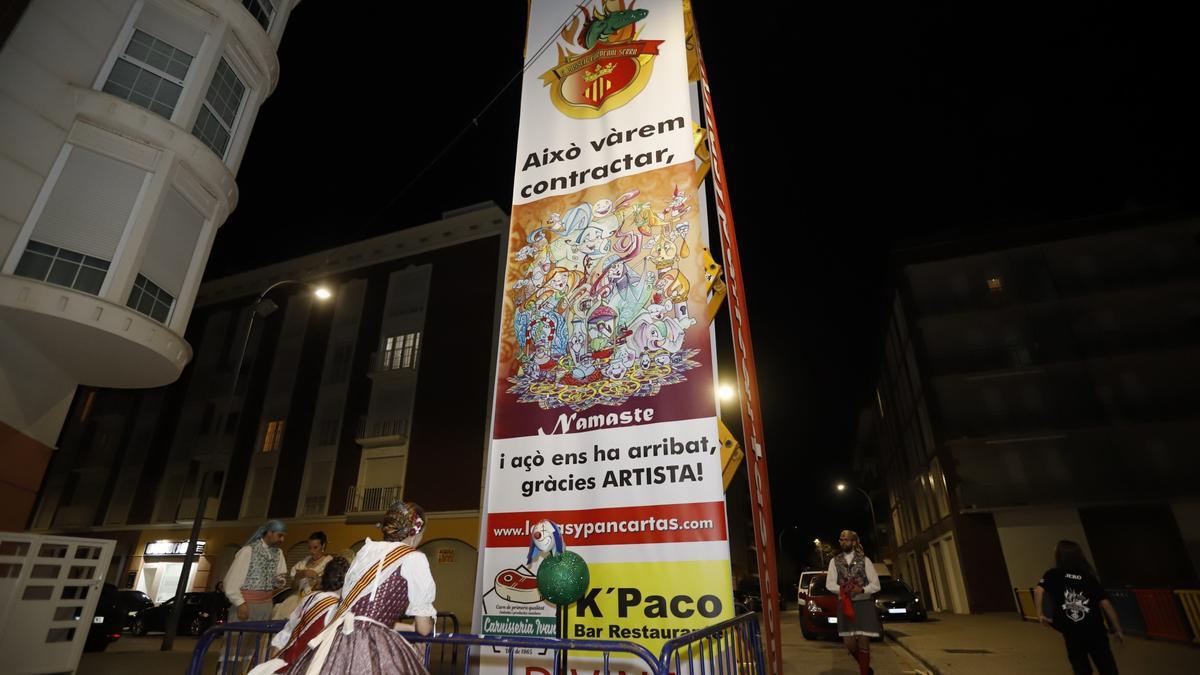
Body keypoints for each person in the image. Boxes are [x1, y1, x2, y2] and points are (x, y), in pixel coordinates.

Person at [286, 501, 435, 674]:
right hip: (372, 644)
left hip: (339, 638)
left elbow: (364, 615)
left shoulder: (366, 551)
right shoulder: (414, 558)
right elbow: (423, 628)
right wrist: (427, 622)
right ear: (415, 532)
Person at [248, 556, 351, 675]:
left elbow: (287, 632)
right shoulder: (339, 608)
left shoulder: (310, 598)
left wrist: (277, 661)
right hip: (309, 667)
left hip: (287, 663)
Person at [1035, 540, 1123, 675]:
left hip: (1072, 630)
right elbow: (1106, 604)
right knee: (1106, 664)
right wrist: (1117, 629)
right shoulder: (1088, 578)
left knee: (1080, 665)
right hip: (1095, 629)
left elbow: (1038, 591)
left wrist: (1040, 613)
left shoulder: (1053, 574)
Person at [825, 529, 881, 675]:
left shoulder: (865, 560)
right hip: (845, 604)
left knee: (863, 641)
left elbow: (876, 585)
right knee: (849, 644)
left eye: (846, 539)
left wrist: (861, 590)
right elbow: (829, 584)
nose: (843, 542)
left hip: (863, 604)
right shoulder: (834, 561)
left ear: (854, 542)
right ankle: (866, 669)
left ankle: (863, 672)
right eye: (841, 539)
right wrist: (843, 589)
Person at [224, 520, 288, 622]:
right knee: (240, 636)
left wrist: (279, 581)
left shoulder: (278, 553)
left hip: (266, 605)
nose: (282, 539)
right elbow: (231, 582)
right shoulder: (248, 551)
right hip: (246, 605)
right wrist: (240, 603)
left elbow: (280, 576)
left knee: (258, 637)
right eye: (280, 535)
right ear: (269, 533)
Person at [273, 531, 334, 620]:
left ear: (323, 546)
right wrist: (298, 576)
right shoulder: (303, 563)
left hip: (315, 600)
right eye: (309, 548)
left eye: (315, 548)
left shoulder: (329, 563)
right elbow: (294, 588)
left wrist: (316, 577)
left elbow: (330, 585)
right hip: (297, 599)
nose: (312, 551)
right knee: (282, 613)